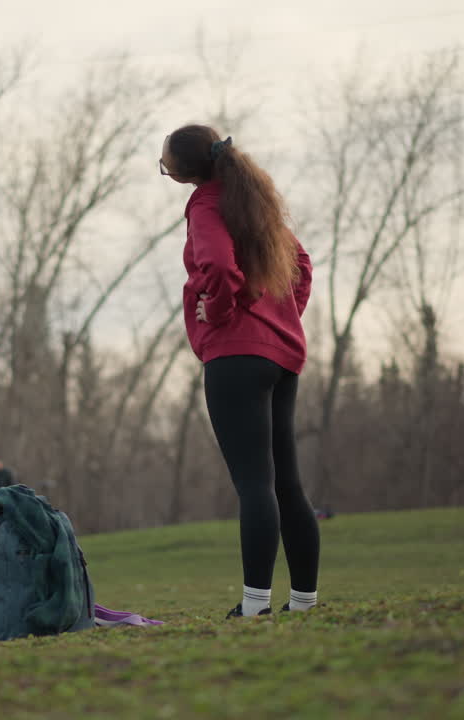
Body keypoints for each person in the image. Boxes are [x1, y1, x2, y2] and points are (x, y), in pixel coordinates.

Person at [160, 125, 321, 618]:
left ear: (186, 171)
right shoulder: (255, 203)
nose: (164, 170)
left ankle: (254, 607)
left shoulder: (207, 205)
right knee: (287, 483)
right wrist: (280, 316)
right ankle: (304, 603)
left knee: (254, 483)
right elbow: (302, 265)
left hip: (236, 357)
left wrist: (224, 311)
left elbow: (221, 270)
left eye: (164, 164)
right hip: (281, 356)